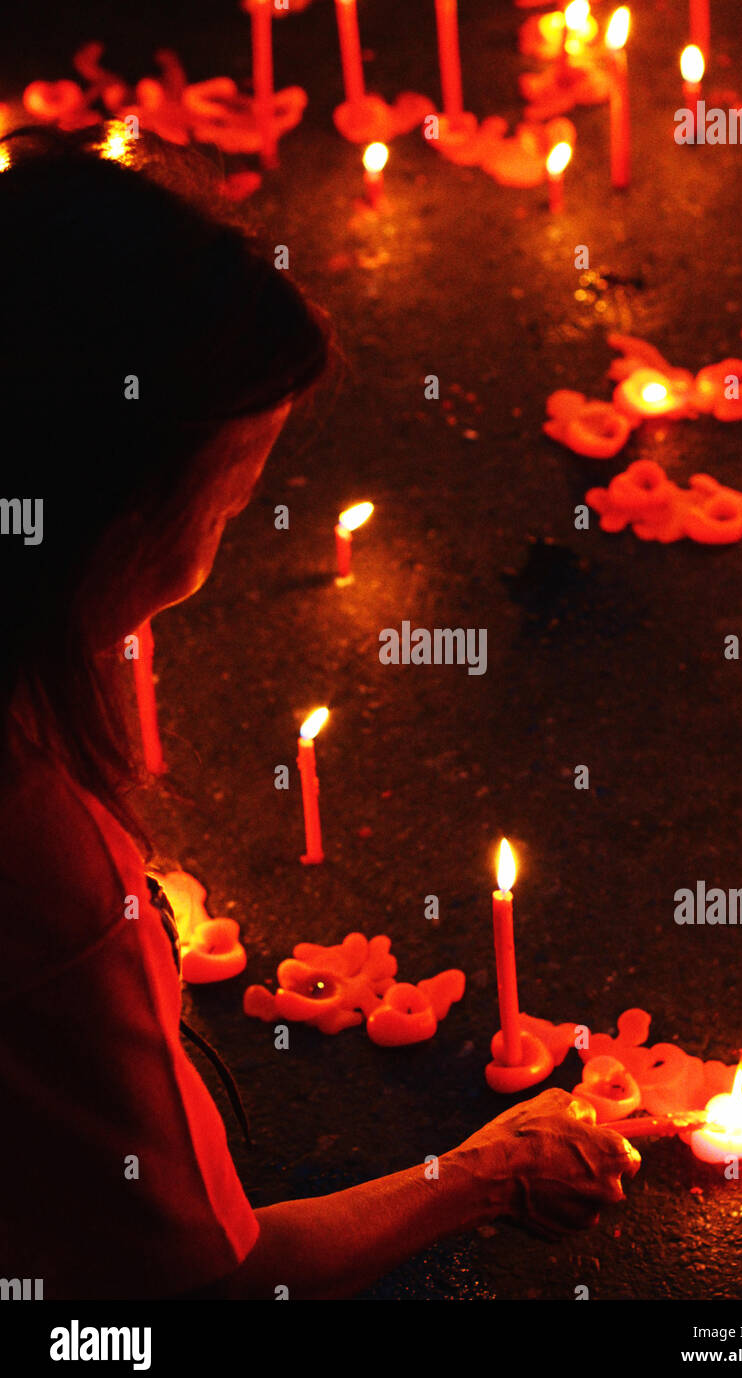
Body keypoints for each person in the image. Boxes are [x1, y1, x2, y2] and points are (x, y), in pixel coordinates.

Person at [0, 125, 638, 1300]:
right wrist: (483, 1172)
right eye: (233, 498)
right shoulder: (42, 857)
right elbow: (209, 1280)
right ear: (113, 510)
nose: (220, 545)